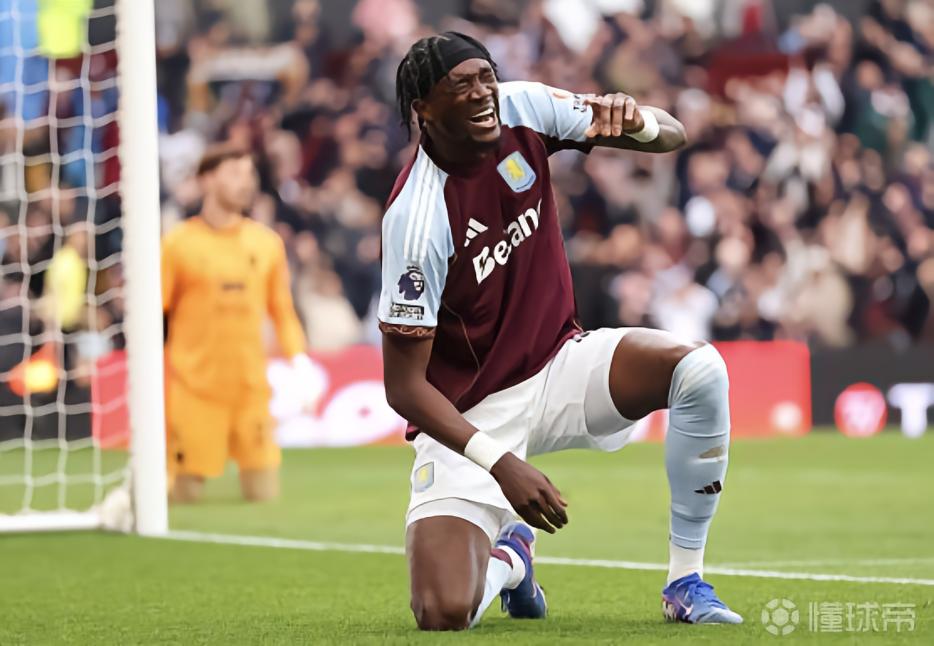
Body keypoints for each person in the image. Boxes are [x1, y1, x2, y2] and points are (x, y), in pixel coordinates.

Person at [379, 32, 741, 630]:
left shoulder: (524, 106)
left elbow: (672, 134)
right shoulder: (416, 218)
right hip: (473, 412)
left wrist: (638, 121)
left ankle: (685, 581)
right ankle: (512, 561)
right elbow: (403, 387)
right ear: (424, 110)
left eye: (486, 76)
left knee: (699, 370)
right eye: (460, 86)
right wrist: (501, 463)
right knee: (443, 612)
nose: (482, 93)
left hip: (559, 363)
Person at [161, 144, 313, 503]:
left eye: (249, 174)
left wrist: (299, 360)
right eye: (234, 173)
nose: (245, 183)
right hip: (195, 390)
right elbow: (156, 313)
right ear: (206, 180)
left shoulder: (267, 243)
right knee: (183, 497)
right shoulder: (178, 244)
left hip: (250, 390)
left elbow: (282, 311)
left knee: (263, 496)